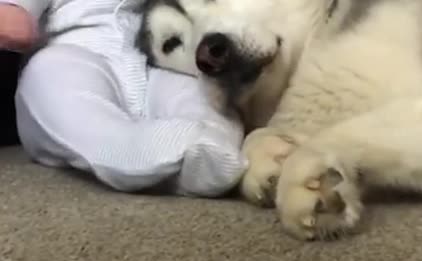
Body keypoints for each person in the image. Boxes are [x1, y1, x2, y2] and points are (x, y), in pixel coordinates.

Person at [0, 0, 247, 197]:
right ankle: (135, 149)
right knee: (48, 76)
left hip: (155, 61)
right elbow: (17, 26)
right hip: (77, 52)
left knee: (200, 91)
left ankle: (209, 146)